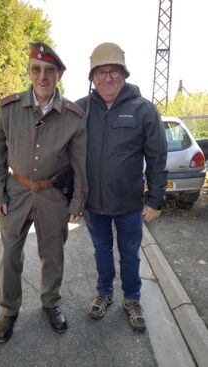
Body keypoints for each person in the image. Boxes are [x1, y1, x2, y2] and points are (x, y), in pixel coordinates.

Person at [0, 42, 87, 343]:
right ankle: (8, 310)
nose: (43, 76)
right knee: (11, 257)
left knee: (53, 256)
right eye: (37, 69)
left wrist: (77, 200)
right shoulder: (9, 108)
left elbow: (80, 163)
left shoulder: (73, 116)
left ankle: (51, 303)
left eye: (50, 71)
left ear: (59, 75)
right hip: (16, 194)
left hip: (53, 196)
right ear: (29, 71)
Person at [76, 42, 167, 332]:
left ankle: (132, 299)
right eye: (100, 73)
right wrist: (72, 199)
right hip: (94, 204)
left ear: (124, 74)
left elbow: (156, 156)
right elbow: (65, 153)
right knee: (101, 251)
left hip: (129, 204)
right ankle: (105, 293)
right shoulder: (80, 109)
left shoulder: (144, 110)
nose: (107, 78)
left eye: (113, 71)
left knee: (130, 253)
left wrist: (155, 199)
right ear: (92, 77)